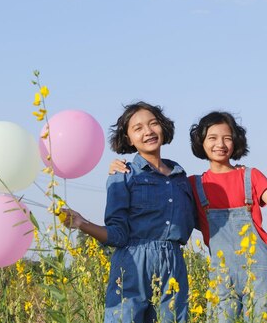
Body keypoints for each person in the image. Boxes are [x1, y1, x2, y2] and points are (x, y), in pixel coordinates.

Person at [111, 110, 267, 322]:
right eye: (212, 138)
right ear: (201, 143)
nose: (220, 144)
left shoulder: (251, 176)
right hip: (220, 275)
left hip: (259, 271)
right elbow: (159, 201)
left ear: (236, 141)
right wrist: (124, 169)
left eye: (227, 138)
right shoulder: (192, 184)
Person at [61, 101, 196, 323]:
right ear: (128, 139)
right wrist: (81, 222)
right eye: (138, 128)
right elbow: (118, 234)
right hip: (133, 264)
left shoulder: (180, 176)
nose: (148, 131)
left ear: (163, 127)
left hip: (174, 263)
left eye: (153, 124)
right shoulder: (122, 174)